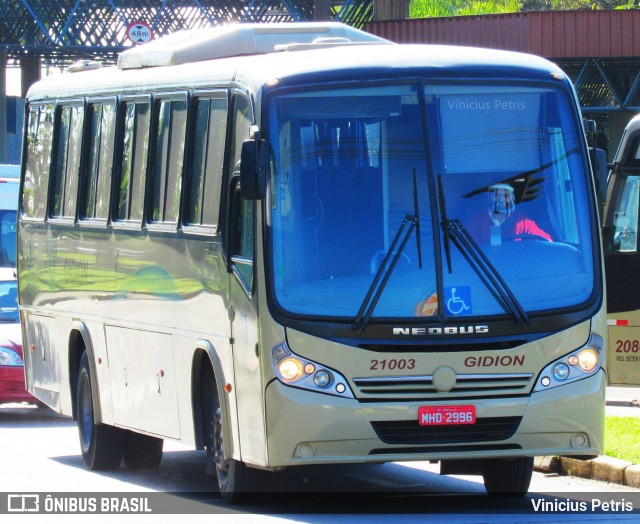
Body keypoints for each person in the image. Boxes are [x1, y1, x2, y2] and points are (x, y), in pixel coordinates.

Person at [464, 183, 553, 245]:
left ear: (511, 198)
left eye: (505, 196)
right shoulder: (475, 221)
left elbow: (547, 242)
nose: (501, 199)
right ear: (489, 197)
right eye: (497, 195)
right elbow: (465, 248)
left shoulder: (521, 222)